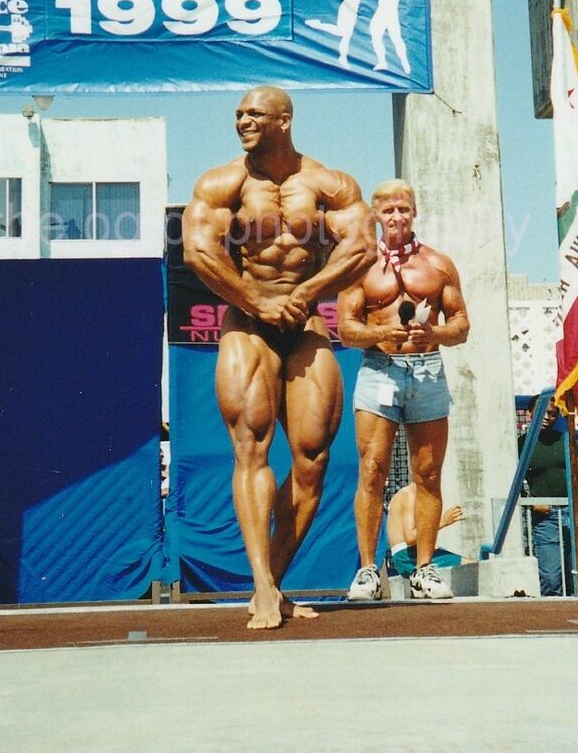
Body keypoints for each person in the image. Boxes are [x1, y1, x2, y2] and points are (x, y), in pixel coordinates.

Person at [182, 86, 376, 630]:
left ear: (284, 121)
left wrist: (304, 291)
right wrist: (259, 300)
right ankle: (263, 588)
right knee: (252, 448)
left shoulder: (329, 184)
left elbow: (361, 246)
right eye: (238, 114)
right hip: (248, 322)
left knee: (313, 458)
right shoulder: (223, 183)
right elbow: (200, 251)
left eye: (254, 114)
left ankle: (273, 579)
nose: (242, 121)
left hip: (305, 320)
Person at [337, 179, 469, 602]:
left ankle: (425, 570)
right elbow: (346, 327)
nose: (396, 217)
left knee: (428, 473)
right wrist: (378, 333)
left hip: (428, 369)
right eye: (388, 210)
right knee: (372, 470)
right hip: (379, 369)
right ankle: (367, 571)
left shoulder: (438, 265)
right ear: (375, 215)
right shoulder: (358, 265)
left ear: (414, 213)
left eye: (403, 210)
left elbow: (462, 324)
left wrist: (435, 332)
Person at [518, 400, 578, 596]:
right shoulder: (521, 444)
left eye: (552, 414)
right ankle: (554, 620)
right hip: (546, 519)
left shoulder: (568, 440)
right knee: (551, 578)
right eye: (542, 413)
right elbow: (511, 482)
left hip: (575, 514)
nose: (547, 418)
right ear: (531, 414)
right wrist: (532, 504)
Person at [386, 482, 464, 581]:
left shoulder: (411, 494)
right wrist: (443, 521)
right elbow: (410, 538)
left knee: (472, 564)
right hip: (408, 556)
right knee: (473, 566)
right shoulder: (410, 495)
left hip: (409, 555)